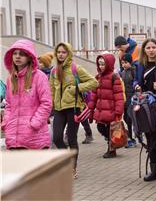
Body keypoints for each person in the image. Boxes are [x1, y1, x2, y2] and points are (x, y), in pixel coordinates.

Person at [50, 42, 98, 178]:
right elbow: (51, 90)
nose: (60, 54)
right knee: (57, 137)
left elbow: (94, 82)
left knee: (72, 138)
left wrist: (76, 89)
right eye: (58, 52)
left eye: (63, 52)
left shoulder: (76, 68)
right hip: (59, 109)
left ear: (69, 53)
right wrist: (51, 107)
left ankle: (72, 168)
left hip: (74, 108)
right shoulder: (54, 71)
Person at [2, 39, 52, 150]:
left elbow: (46, 103)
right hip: (14, 137)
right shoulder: (11, 79)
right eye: (15, 53)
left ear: (29, 57)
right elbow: (9, 105)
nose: (17, 56)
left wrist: (34, 124)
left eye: (22, 54)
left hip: (34, 137)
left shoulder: (39, 77)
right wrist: (6, 122)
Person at [133, 38, 156, 182]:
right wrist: (136, 85)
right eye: (148, 48)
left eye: (153, 47)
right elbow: (136, 80)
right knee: (148, 135)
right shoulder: (139, 64)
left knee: (155, 135)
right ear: (144, 50)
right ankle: (154, 166)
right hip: (144, 104)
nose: (151, 50)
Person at [88, 53, 124, 158]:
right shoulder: (97, 77)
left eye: (103, 64)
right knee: (100, 127)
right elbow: (93, 96)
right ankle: (110, 142)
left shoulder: (114, 77)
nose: (101, 67)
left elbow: (119, 96)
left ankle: (111, 150)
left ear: (108, 64)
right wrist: (90, 110)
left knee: (111, 129)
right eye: (99, 64)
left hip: (111, 110)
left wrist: (118, 111)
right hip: (100, 110)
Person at [120, 53, 137, 148]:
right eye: (122, 63)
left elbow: (137, 84)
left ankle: (131, 139)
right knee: (126, 118)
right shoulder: (122, 72)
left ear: (130, 62)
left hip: (132, 98)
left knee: (130, 118)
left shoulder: (134, 71)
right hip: (125, 98)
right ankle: (134, 132)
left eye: (126, 62)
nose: (124, 65)